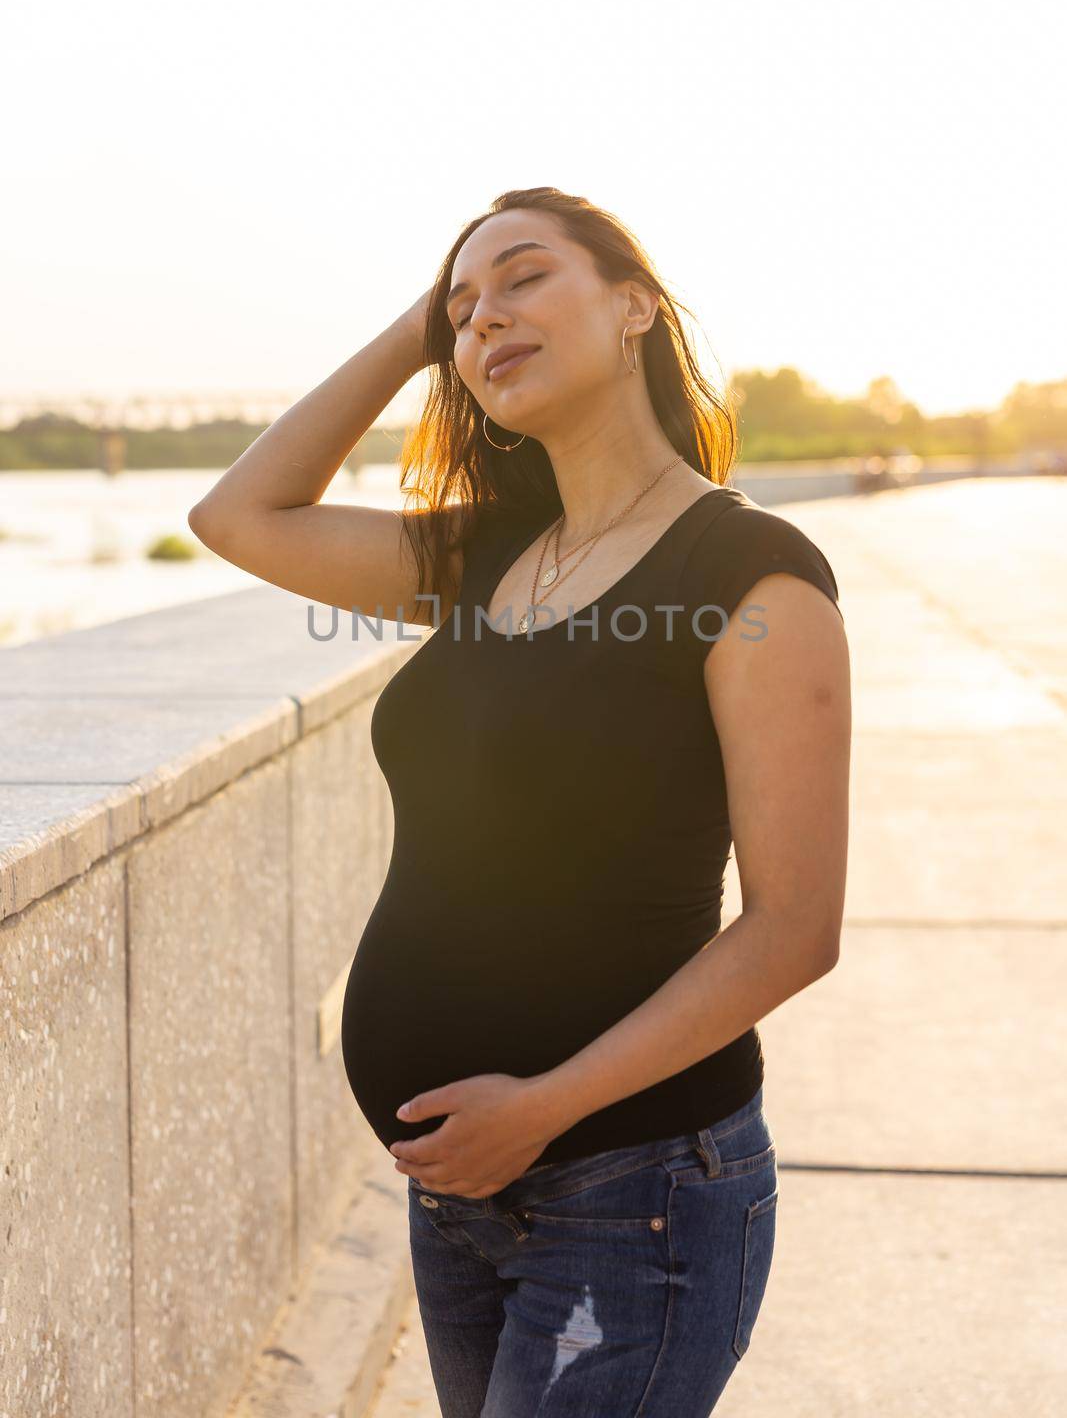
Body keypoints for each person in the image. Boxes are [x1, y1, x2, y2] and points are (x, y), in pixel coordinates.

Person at [188, 186, 851, 1416]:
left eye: (525, 277)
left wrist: (542, 1106)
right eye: (463, 305)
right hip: (457, 1193)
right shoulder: (489, 551)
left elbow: (793, 926)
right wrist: (415, 328)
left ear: (635, 304)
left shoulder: (750, 572)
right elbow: (238, 515)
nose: (486, 315)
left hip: (635, 1187)